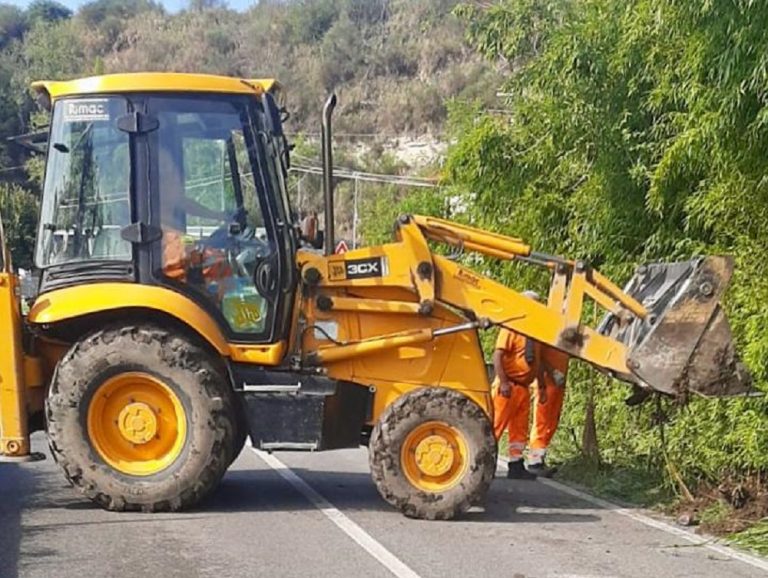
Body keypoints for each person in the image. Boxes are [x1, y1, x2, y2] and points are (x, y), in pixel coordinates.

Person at [492, 290, 569, 479]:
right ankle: (482, 463)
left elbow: (537, 362)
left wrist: (541, 386)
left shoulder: (534, 333)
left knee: (519, 430)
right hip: (508, 386)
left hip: (523, 388)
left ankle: (516, 466)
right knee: (495, 426)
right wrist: (503, 382)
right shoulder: (512, 328)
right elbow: (498, 355)